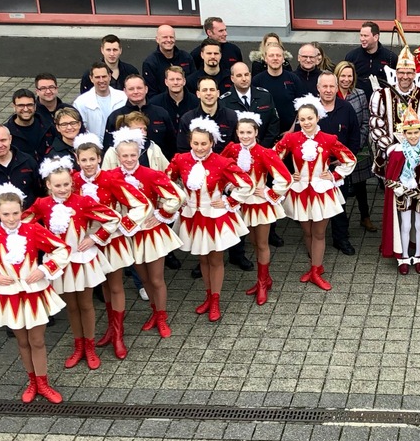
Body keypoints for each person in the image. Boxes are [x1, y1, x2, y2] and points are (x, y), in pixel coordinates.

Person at [0, 184, 69, 403]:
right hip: (8, 294)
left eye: (16, 213)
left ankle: (44, 383)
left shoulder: (34, 230)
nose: (11, 218)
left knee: (37, 341)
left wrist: (43, 269)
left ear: (22, 210)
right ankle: (32, 382)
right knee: (22, 341)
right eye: (6, 214)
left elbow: (61, 249)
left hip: (35, 292)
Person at [23, 158, 120, 369]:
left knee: (86, 304)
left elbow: (113, 218)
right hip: (59, 263)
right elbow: (22, 225)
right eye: (57, 185)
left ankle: (91, 346)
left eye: (66, 184)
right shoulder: (42, 204)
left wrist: (94, 237)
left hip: (81, 260)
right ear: (48, 185)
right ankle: (79, 346)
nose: (63, 189)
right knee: (72, 307)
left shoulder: (82, 201)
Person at [75, 133, 151, 359]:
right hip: (86, 243)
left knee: (115, 285)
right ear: (77, 160)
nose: (88, 164)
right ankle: (108, 329)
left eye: (92, 159)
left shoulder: (111, 179)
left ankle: (118, 334)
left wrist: (122, 225)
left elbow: (141, 204)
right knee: (103, 287)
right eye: (83, 160)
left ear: (99, 158)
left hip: (111, 239)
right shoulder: (72, 181)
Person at [168, 119, 249, 322]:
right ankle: (207, 295)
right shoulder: (181, 159)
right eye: (195, 143)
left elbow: (246, 184)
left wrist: (229, 201)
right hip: (192, 216)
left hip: (215, 217)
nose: (199, 147)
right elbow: (166, 181)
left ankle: (215, 300)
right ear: (190, 142)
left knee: (215, 259)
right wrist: (178, 200)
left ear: (212, 142)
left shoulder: (222, 162)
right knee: (202, 258)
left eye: (204, 143)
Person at [275, 96, 357, 290]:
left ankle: (315, 268)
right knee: (307, 231)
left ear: (317, 117)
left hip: (322, 191)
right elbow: (272, 158)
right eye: (302, 120)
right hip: (299, 191)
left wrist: (335, 175)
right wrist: (287, 175)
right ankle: (315, 267)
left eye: (310, 118)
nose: (306, 123)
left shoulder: (328, 139)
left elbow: (350, 159)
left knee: (319, 233)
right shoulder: (291, 138)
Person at [117, 130, 186, 334]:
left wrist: (161, 214)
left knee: (156, 279)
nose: (129, 159)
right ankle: (154, 312)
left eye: (132, 154)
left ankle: (162, 317)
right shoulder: (114, 176)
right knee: (144, 279)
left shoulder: (150, 174)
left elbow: (177, 196)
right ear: (118, 157)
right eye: (124, 156)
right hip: (130, 233)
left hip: (151, 233)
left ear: (139, 153)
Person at [220, 113, 291, 305]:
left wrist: (269, 192)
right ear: (236, 132)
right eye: (241, 132)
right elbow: (219, 171)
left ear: (256, 132)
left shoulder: (265, 152)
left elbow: (285, 178)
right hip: (241, 204)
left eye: (249, 132)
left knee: (261, 244)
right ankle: (265, 279)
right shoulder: (231, 149)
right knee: (252, 242)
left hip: (260, 205)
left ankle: (262, 282)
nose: (245, 136)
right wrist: (229, 188)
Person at [380, 107, 420, 273]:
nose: (413, 136)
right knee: (406, 225)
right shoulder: (397, 153)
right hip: (403, 195)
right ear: (404, 134)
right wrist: (397, 187)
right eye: (409, 133)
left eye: (416, 133)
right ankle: (404, 257)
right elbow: (391, 176)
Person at [368, 47, 420, 178]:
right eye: (401, 72)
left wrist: (417, 149)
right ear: (396, 73)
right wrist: (390, 148)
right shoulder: (381, 95)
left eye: (409, 73)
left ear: (415, 74)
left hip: (418, 157)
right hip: (390, 156)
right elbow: (375, 125)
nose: (405, 77)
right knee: (392, 195)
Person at [315, 71, 362, 256]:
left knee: (340, 205)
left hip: (338, 168)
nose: (328, 90)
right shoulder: (310, 109)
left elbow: (354, 137)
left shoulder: (346, 108)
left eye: (331, 86)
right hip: (315, 170)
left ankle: (341, 238)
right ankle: (315, 242)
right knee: (316, 205)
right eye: (324, 86)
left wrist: (344, 159)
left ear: (337, 88)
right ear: (318, 88)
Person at [334, 61, 376, 232]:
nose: (346, 79)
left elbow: (366, 121)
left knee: (361, 184)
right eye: (342, 76)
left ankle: (365, 216)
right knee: (339, 186)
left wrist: (357, 144)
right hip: (336, 150)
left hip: (357, 146)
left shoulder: (359, 94)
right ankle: (340, 222)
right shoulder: (331, 95)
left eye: (349, 76)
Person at [104, 75, 175, 156]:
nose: (136, 91)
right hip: (127, 165)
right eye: (131, 89)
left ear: (146, 89)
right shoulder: (116, 117)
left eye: (139, 88)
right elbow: (108, 148)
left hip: (158, 165)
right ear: (125, 91)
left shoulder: (161, 113)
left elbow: (172, 145)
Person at [221, 61, 281, 146]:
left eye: (246, 75)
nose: (244, 79)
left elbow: (274, 124)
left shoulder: (265, 96)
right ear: (232, 78)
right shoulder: (224, 101)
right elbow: (225, 131)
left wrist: (261, 148)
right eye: (239, 76)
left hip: (264, 150)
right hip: (236, 152)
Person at [178, 76, 240, 154]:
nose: (208, 93)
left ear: (218, 93)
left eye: (212, 90)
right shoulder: (187, 120)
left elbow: (238, 147)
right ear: (198, 94)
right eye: (204, 90)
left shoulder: (232, 117)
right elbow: (183, 150)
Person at [252, 44, 302, 133]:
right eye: (271, 55)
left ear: (283, 59)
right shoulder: (257, 81)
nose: (275, 58)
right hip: (264, 135)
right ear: (265, 58)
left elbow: (301, 108)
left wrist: (291, 131)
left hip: (290, 134)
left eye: (278, 55)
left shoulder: (294, 79)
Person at [75, 62, 129, 140]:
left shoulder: (123, 97)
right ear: (91, 78)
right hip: (93, 147)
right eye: (97, 77)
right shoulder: (81, 102)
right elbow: (80, 128)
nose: (101, 80)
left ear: (110, 76)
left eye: (104, 76)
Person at [102, 111, 170, 171]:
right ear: (126, 129)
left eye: (145, 129)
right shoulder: (113, 151)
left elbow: (167, 170)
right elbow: (104, 178)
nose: (143, 132)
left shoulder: (153, 147)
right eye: (139, 129)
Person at [343, 21, 397, 95]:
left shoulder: (391, 57)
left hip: (382, 100)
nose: (362, 39)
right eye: (361, 35)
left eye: (365, 36)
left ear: (376, 37)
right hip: (358, 101)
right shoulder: (352, 56)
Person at [148, 66, 200, 137]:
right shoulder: (155, 104)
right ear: (166, 82)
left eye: (178, 79)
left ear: (184, 81)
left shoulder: (196, 102)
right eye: (172, 79)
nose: (175, 82)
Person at [142, 25, 193, 97]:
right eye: (165, 37)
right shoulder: (150, 63)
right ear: (157, 39)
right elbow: (151, 93)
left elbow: (193, 84)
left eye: (171, 37)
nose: (169, 40)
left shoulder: (186, 58)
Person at [5, 89, 52, 161]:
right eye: (21, 105)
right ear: (14, 107)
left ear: (35, 106)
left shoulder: (48, 126)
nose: (26, 109)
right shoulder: (6, 132)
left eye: (29, 105)